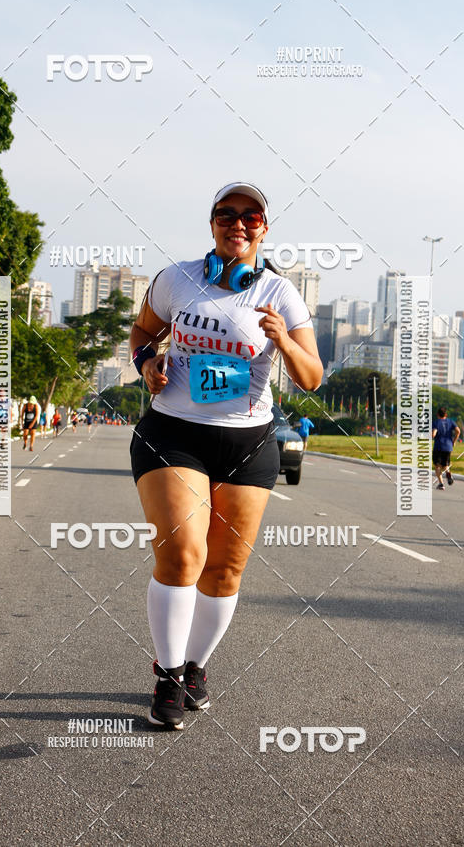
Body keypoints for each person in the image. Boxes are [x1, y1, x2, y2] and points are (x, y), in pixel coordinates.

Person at [129, 182, 323, 730]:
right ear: (211, 222)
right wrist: (147, 363)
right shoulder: (176, 279)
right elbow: (143, 331)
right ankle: (167, 677)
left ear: (264, 227)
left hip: (249, 441)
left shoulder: (282, 295)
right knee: (184, 553)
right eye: (226, 214)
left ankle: (196, 668)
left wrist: (283, 341)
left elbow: (311, 378)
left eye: (250, 216)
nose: (238, 223)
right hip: (174, 432)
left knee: (225, 568)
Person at [432, 407, 460, 490]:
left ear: (437, 415)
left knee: (437, 465)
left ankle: (441, 484)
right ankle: (448, 473)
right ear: (446, 414)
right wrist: (454, 441)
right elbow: (458, 431)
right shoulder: (451, 421)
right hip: (448, 446)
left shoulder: (436, 422)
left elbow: (434, 434)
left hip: (438, 446)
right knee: (445, 464)